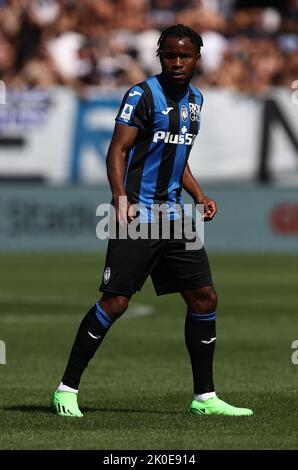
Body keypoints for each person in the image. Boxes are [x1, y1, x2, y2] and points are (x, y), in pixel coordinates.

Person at [52, 24, 253, 417]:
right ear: (160, 56)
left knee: (204, 298)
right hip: (138, 214)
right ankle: (66, 388)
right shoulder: (142, 95)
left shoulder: (196, 99)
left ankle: (205, 398)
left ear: (198, 58)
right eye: (170, 56)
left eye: (185, 56)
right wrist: (121, 199)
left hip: (175, 216)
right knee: (116, 302)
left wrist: (198, 194)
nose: (177, 63)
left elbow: (174, 157)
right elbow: (118, 151)